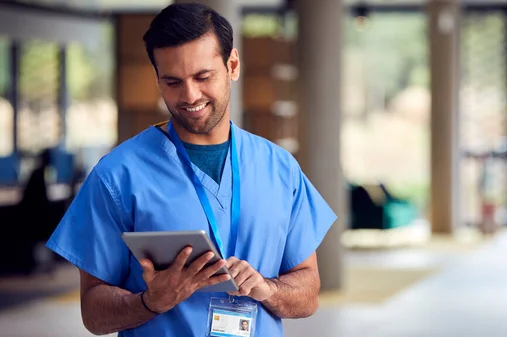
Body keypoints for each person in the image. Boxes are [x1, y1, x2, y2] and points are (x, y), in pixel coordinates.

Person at [45, 3, 336, 337]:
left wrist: (267, 289)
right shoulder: (117, 176)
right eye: (172, 82)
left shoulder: (280, 168)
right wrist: (150, 302)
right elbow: (93, 314)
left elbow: (308, 291)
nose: (190, 95)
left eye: (203, 76)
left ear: (233, 65)